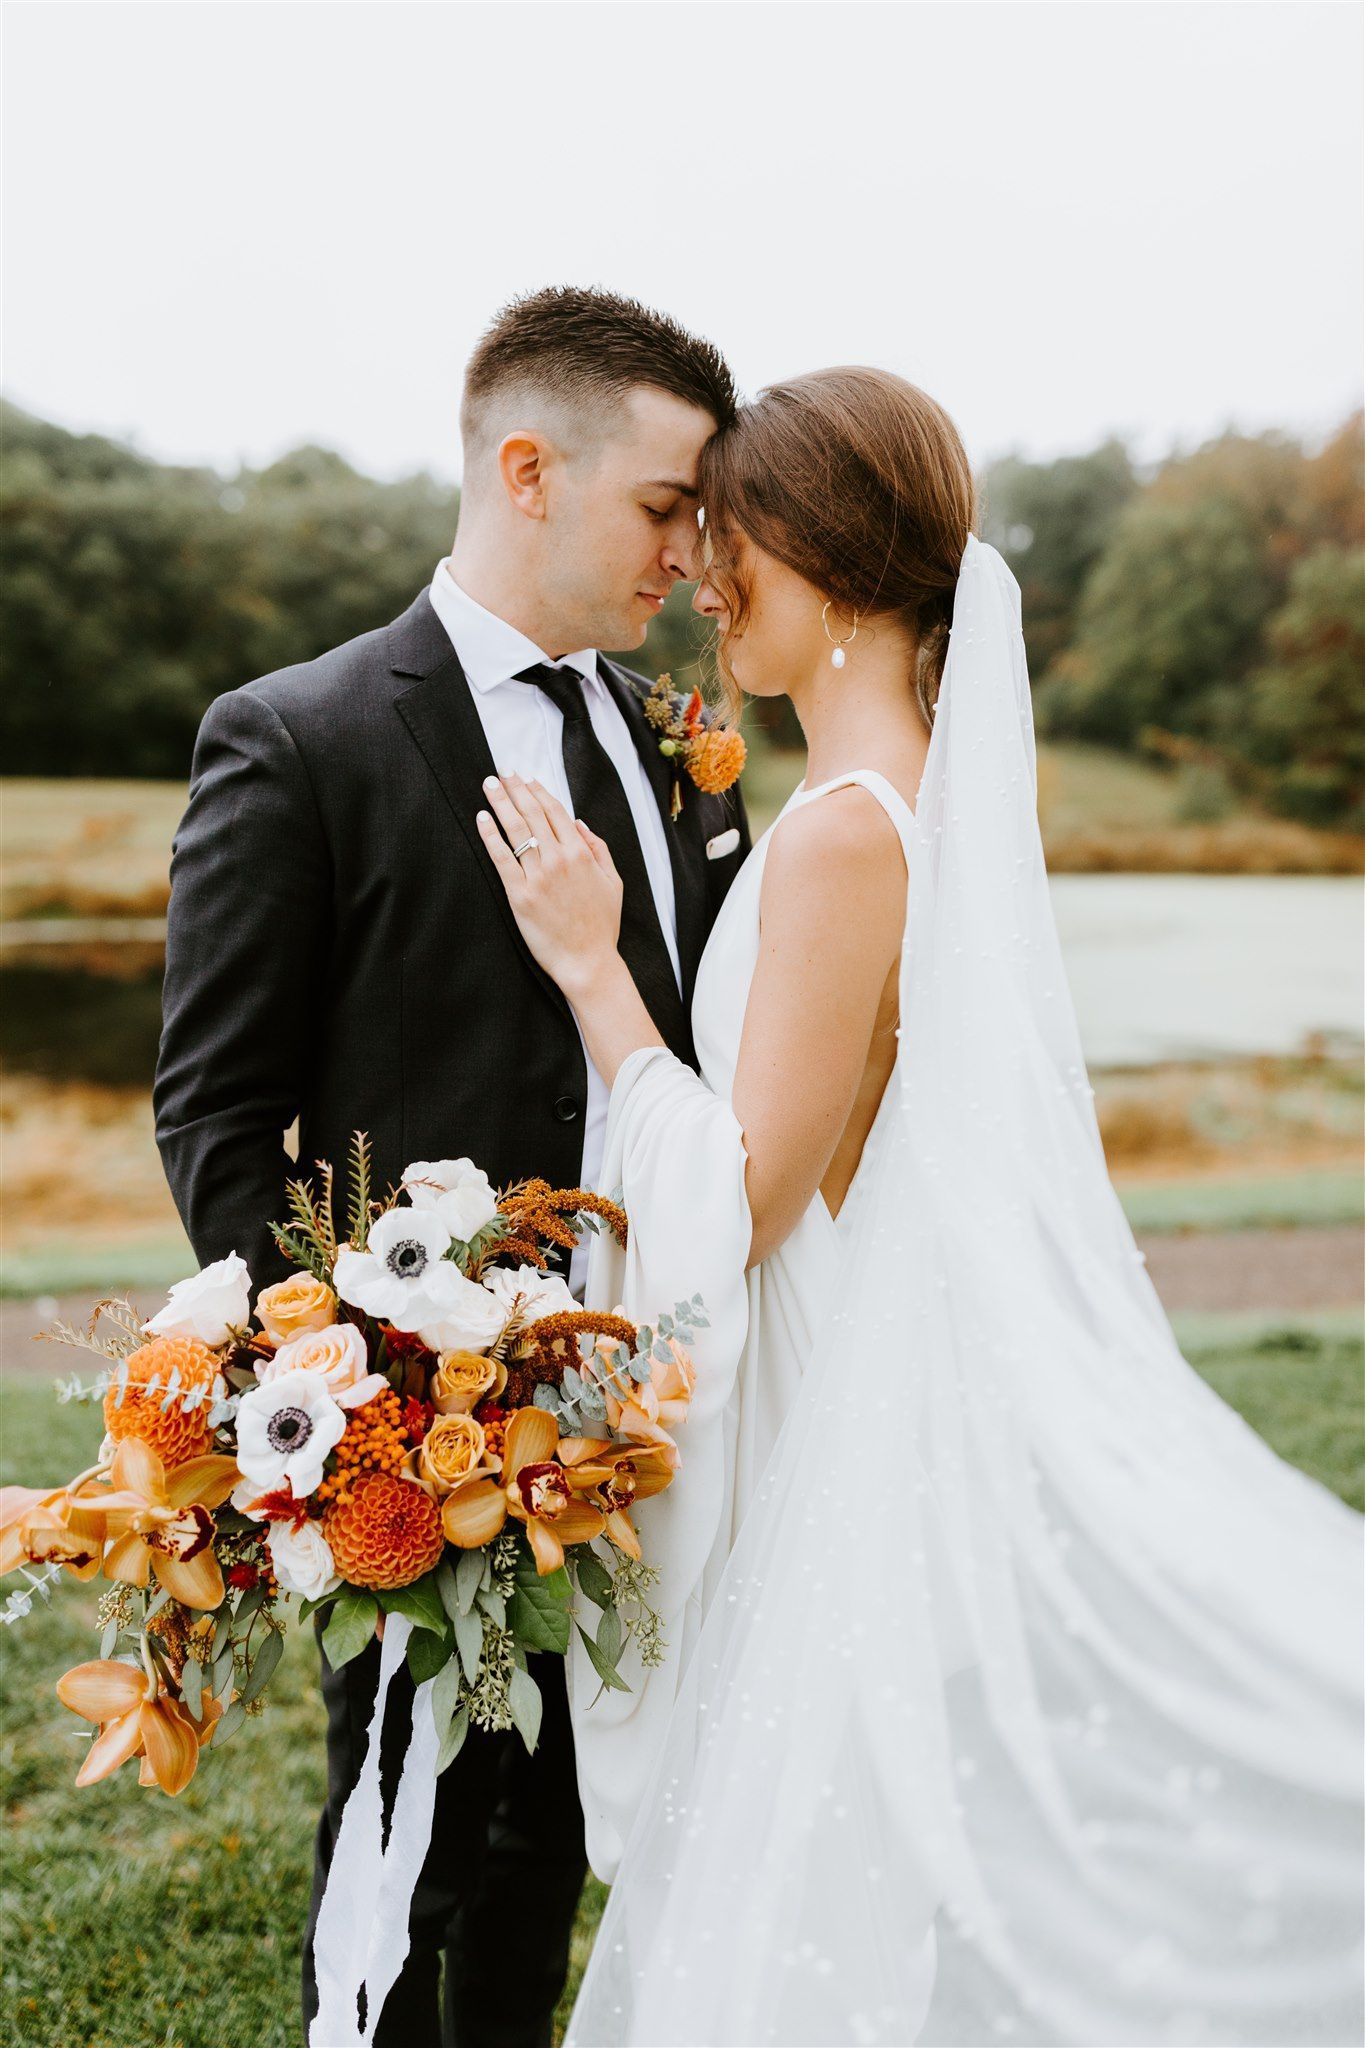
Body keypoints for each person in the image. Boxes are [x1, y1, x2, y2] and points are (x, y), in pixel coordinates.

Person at [475, 367, 1365, 2046]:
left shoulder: (841, 837)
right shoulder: (891, 801)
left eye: (734, 546)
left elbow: (741, 1200)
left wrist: (596, 971)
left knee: (825, 1837)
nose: (711, 584)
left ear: (832, 564)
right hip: (855, 1341)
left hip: (827, 1383)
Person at [152, 284, 751, 2048]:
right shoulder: (304, 736)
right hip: (425, 1440)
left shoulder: (673, 746)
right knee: (408, 1840)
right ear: (527, 469)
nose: (689, 555)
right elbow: (212, 1108)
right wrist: (357, 1404)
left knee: (562, 1843)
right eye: (665, 506)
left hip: (654, 1418)